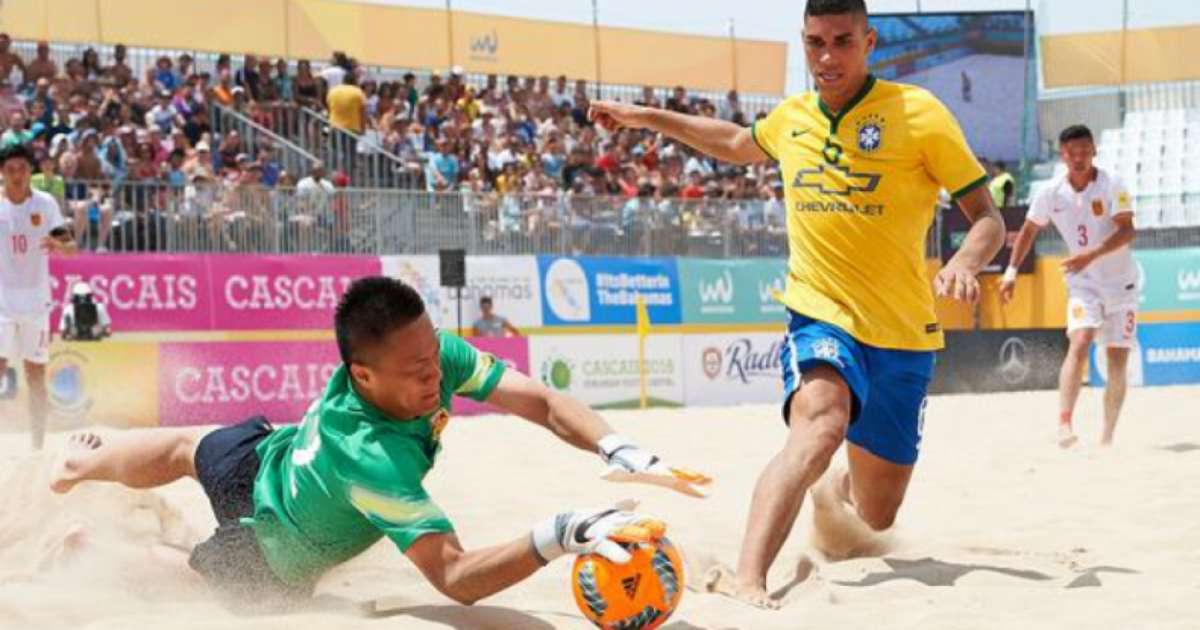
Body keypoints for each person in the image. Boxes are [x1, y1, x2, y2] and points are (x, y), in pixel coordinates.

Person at [589, 0, 1004, 609]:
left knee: (879, 513)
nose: (827, 58)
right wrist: (647, 117)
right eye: (815, 43)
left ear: (870, 40)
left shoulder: (920, 115)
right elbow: (733, 141)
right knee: (819, 425)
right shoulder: (792, 117)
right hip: (819, 309)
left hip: (903, 333)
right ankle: (749, 577)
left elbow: (986, 217)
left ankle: (832, 492)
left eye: (842, 41)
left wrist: (966, 262)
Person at [48, 276, 710, 613]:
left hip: (273, 455)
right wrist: (559, 533)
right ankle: (90, 528)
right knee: (195, 577)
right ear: (362, 374)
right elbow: (453, 576)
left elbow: (537, 399)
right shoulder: (373, 461)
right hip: (271, 547)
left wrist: (617, 447)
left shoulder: (428, 354)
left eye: (434, 356)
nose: (436, 375)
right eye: (418, 370)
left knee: (189, 446)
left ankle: (88, 461)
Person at [1000, 124, 1136, 448]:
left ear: (1094, 151)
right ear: (1062, 155)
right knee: (1080, 340)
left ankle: (1107, 436)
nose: (1079, 158)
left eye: (1085, 151)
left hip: (1121, 284)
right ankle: (1064, 424)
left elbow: (1128, 230)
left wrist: (1091, 254)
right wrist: (1010, 271)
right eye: (1072, 152)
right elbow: (1029, 231)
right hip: (1083, 281)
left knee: (1117, 362)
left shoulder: (1112, 184)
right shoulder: (1050, 192)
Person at [0, 143, 76, 450]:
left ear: (30, 172)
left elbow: (71, 248)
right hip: (2, 300)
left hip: (35, 301)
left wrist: (59, 245)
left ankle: (38, 446)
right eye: (10, 169)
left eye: (22, 169)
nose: (17, 175)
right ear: (2, 173)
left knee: (35, 374)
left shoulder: (44, 205)